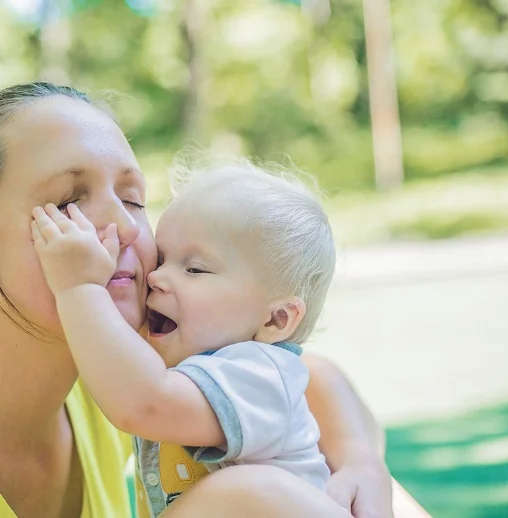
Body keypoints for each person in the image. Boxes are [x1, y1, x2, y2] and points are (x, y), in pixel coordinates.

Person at [0, 82, 394, 517]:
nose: (123, 229)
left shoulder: (100, 371)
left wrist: (361, 466)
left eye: (132, 199)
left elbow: (304, 375)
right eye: (69, 203)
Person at [31, 158, 344, 516]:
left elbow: (146, 404)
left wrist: (79, 287)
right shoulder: (181, 356)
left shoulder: (259, 375)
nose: (156, 277)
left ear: (276, 318)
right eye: (162, 258)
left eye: (194, 269)